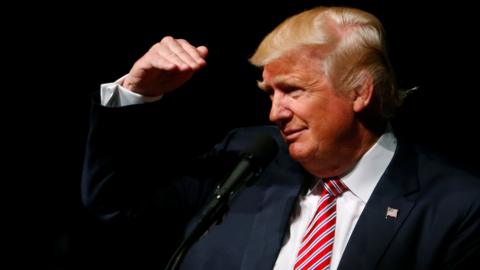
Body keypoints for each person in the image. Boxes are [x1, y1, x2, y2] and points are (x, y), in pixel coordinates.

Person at [81, 6, 480, 270]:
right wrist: (135, 92)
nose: (275, 112)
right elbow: (117, 207)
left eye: (293, 90)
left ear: (360, 91)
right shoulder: (248, 158)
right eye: (270, 94)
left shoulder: (456, 205)